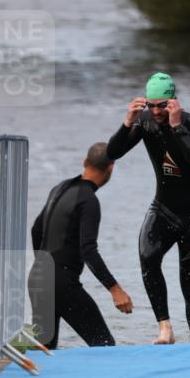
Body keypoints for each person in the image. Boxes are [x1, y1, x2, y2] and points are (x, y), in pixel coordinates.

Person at [107, 73, 190, 345]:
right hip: (163, 208)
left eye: (162, 105)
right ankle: (165, 328)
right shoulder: (145, 123)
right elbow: (112, 153)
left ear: (173, 101)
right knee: (148, 256)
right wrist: (127, 122)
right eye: (151, 106)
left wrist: (177, 127)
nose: (156, 111)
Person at [28, 143, 133, 349]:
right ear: (110, 168)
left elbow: (36, 230)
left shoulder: (60, 188)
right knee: (104, 346)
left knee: (45, 349)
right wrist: (115, 289)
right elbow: (89, 250)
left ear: (85, 162)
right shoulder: (89, 201)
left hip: (38, 278)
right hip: (62, 283)